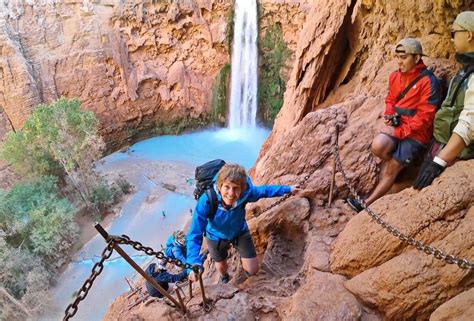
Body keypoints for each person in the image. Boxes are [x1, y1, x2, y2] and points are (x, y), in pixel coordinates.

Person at [347, 38, 441, 212]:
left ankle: (366, 204)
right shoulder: (395, 76)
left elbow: (425, 117)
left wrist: (401, 131)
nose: (399, 61)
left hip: (417, 134)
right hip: (399, 126)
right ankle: (401, 166)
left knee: (390, 170)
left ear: (417, 57)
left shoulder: (429, 82)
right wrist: (390, 115)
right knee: (377, 147)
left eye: (404, 57)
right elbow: (390, 99)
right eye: (397, 57)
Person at [186, 163, 299, 284]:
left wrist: (288, 189)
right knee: (221, 265)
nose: (230, 193)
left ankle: (241, 279)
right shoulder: (206, 201)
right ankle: (224, 276)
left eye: (236, 188)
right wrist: (193, 263)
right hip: (215, 236)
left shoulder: (247, 194)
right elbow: (194, 234)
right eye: (227, 187)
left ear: (242, 188)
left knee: (253, 269)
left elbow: (265, 190)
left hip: (239, 231)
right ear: (220, 186)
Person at [414, 11, 474, 189]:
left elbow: (469, 123)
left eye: (454, 33)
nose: (451, 39)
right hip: (442, 146)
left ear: (469, 35)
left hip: (455, 155)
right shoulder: (466, 69)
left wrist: (439, 162)